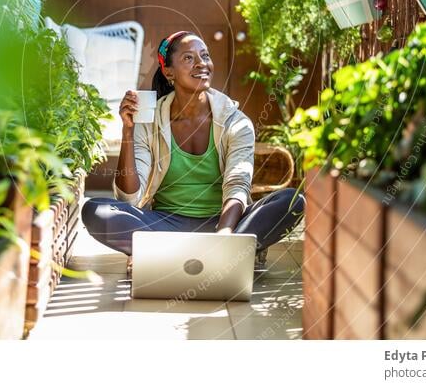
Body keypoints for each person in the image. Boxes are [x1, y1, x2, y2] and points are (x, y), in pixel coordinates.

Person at [81, 30, 305, 273]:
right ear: (168, 72)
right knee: (95, 210)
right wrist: (127, 132)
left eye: (205, 56)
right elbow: (130, 199)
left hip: (222, 223)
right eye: (189, 58)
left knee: (292, 201)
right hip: (165, 225)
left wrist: (224, 234)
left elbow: (237, 185)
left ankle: (170, 254)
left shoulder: (235, 122)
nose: (202, 64)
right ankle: (226, 256)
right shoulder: (149, 122)